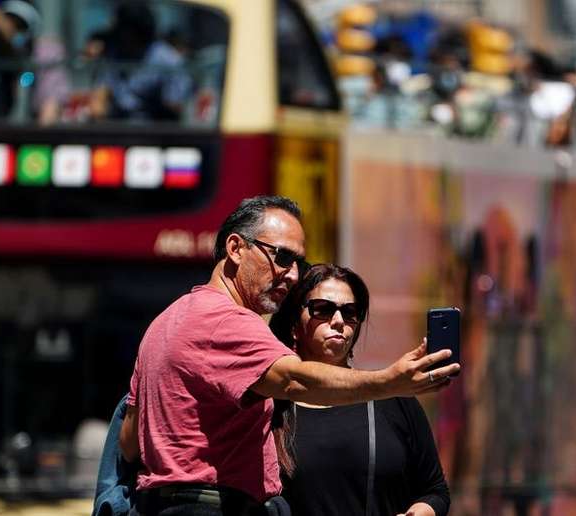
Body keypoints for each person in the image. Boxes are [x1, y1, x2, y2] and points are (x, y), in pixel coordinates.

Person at [120, 195, 459, 516]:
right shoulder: (228, 322)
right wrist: (389, 381)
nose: (294, 274)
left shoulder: (165, 322)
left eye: (298, 262)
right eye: (282, 257)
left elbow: (130, 443)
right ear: (236, 248)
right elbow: (296, 379)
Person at [269, 264, 450, 516]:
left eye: (350, 312)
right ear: (293, 325)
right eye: (322, 309)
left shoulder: (391, 395)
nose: (339, 321)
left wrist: (420, 512)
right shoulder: (272, 404)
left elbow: (435, 490)